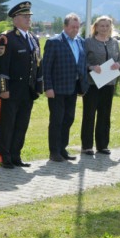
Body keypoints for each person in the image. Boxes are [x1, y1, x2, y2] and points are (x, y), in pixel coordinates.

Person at [0, 1, 43, 169]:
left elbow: (37, 65)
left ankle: (16, 155)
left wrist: (38, 86)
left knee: (22, 124)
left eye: (29, 16)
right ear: (15, 19)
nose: (28, 19)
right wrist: (3, 89)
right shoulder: (6, 38)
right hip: (11, 91)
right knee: (7, 125)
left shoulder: (33, 39)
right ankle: (5, 157)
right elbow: (1, 67)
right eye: (24, 16)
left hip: (27, 91)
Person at [42, 13, 88, 162]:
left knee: (69, 118)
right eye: (72, 27)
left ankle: (63, 148)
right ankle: (54, 151)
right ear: (65, 26)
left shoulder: (81, 42)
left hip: (73, 87)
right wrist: (48, 87)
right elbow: (46, 67)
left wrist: (83, 84)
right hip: (57, 89)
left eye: (77, 26)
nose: (75, 29)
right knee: (57, 120)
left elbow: (81, 63)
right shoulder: (54, 42)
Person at [82, 15, 120, 155]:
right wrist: (92, 67)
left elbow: (119, 59)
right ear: (96, 27)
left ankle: (102, 145)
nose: (104, 28)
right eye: (101, 26)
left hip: (109, 83)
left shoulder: (114, 43)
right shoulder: (88, 42)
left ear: (111, 27)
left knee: (105, 115)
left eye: (107, 26)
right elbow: (82, 62)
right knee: (89, 114)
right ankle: (87, 146)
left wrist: (118, 64)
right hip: (92, 84)